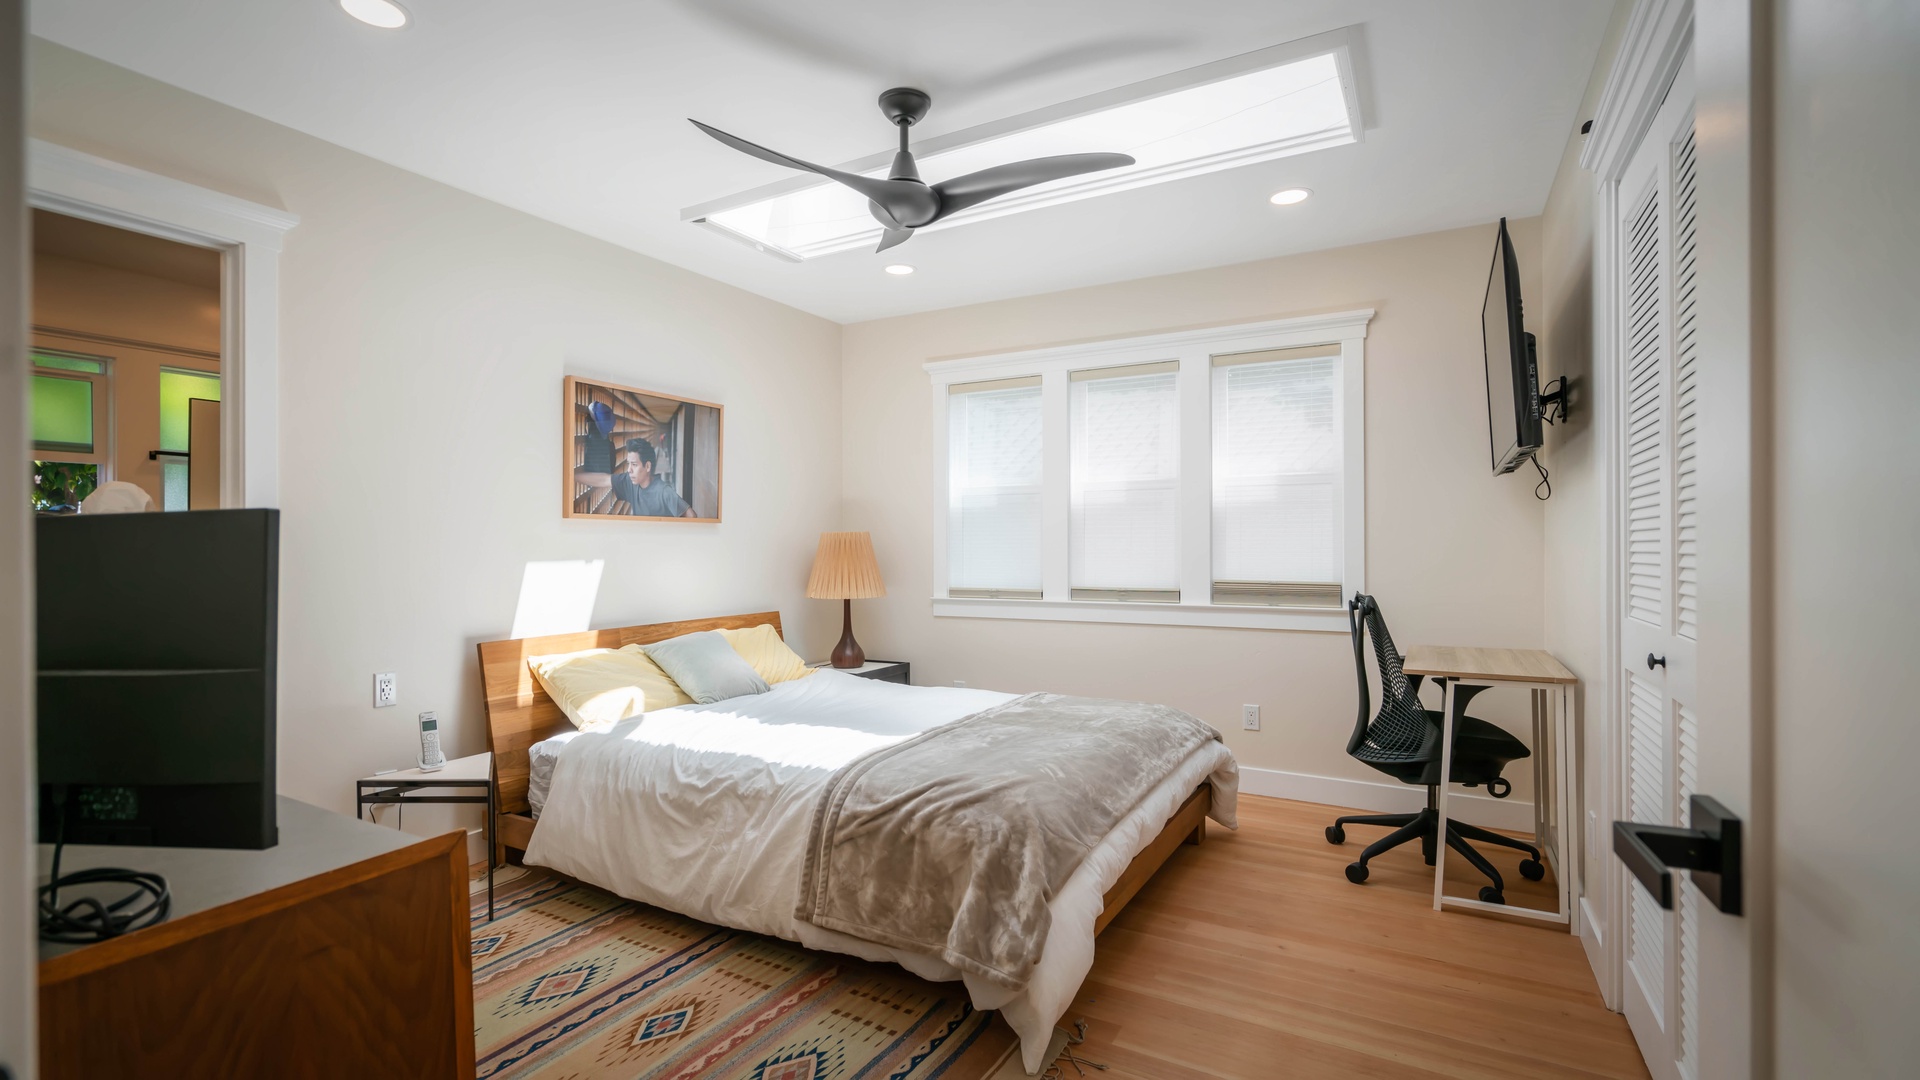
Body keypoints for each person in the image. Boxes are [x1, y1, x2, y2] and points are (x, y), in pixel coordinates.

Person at [575, 438, 695, 518]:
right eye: (629, 464)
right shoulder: (630, 481)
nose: (629, 470)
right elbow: (604, 480)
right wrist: (572, 476)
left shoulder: (663, 491)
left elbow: (691, 515)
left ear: (647, 466)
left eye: (634, 464)